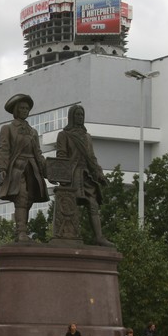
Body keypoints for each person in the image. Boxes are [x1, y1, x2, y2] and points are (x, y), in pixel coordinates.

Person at [55, 104, 113, 247]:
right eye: (77, 115)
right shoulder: (64, 135)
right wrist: (63, 177)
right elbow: (61, 155)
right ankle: (67, 235)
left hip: (86, 175)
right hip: (72, 175)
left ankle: (99, 237)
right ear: (71, 117)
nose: (80, 117)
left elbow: (92, 158)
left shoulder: (87, 137)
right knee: (69, 205)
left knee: (93, 204)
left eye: (82, 115)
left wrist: (100, 174)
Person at [0, 93, 49, 242]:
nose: (25, 110)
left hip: (32, 169)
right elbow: (3, 149)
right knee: (21, 198)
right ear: (16, 110)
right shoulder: (8, 128)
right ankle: (21, 232)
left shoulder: (33, 132)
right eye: (22, 108)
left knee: (29, 199)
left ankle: (21, 230)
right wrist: (2, 168)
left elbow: (38, 154)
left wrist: (47, 172)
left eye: (27, 108)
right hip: (17, 169)